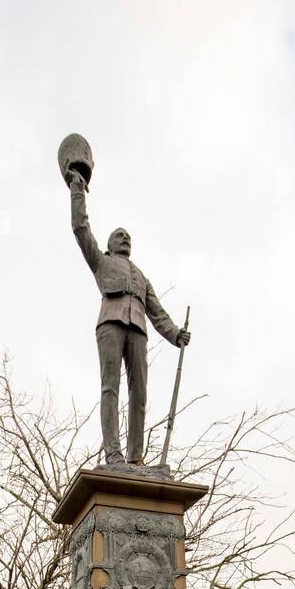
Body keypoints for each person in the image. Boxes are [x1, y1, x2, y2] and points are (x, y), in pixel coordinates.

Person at [68, 169, 190, 465]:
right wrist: (77, 191)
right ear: (110, 245)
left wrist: (175, 333)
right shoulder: (101, 261)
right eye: (119, 235)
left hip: (138, 329)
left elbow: (157, 311)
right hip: (110, 324)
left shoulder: (141, 276)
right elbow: (81, 229)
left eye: (128, 236)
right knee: (111, 387)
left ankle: (136, 457)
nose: (126, 238)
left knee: (140, 393)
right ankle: (113, 453)